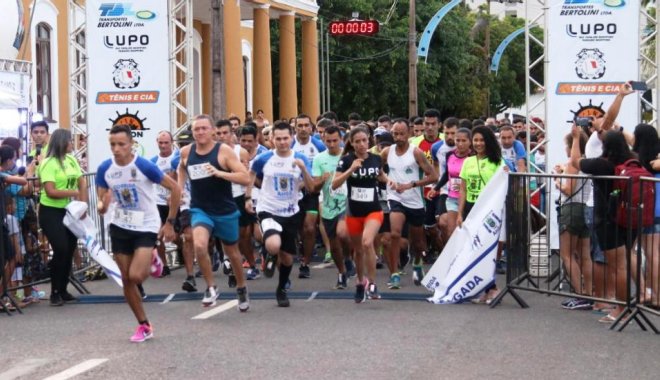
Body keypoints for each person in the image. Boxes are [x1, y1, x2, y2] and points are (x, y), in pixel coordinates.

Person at [96, 124, 181, 342]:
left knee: (135, 275)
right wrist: (103, 205)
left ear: (131, 144)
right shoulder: (105, 168)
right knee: (126, 279)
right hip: (120, 225)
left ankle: (153, 257)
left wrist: (170, 222)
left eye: (121, 144)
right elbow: (102, 202)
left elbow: (175, 188)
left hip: (146, 225)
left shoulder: (143, 166)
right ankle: (143, 325)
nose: (116, 149)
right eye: (112, 144)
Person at [177, 114, 252, 311]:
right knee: (200, 245)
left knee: (233, 254)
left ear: (212, 131)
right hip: (200, 209)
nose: (200, 132)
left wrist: (219, 173)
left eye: (204, 128)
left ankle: (242, 287)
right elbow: (181, 169)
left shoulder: (224, 151)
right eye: (196, 129)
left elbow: (244, 177)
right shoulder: (186, 151)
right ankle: (211, 287)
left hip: (225, 210)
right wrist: (180, 190)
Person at [570, 126, 638, 323]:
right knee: (623, 263)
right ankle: (624, 307)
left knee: (618, 267)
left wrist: (576, 139)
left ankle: (620, 309)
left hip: (608, 219)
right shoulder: (633, 160)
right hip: (632, 217)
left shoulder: (602, 164)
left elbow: (575, 162)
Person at [246, 121, 314, 307]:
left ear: (291, 138)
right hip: (268, 209)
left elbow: (311, 187)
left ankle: (282, 287)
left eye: (285, 138)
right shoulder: (264, 158)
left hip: (291, 212)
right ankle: (269, 253)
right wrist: (247, 197)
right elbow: (251, 174)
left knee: (287, 257)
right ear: (271, 139)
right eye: (278, 139)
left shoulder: (300, 158)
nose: (282, 142)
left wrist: (303, 169)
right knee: (273, 244)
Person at [332, 126, 389, 302]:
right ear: (352, 143)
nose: (362, 144)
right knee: (357, 250)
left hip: (373, 210)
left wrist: (391, 182)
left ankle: (372, 284)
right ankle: (359, 281)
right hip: (354, 212)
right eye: (357, 141)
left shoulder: (376, 159)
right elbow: (334, 184)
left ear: (369, 140)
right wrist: (351, 170)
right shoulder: (346, 160)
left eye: (364, 140)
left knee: (367, 242)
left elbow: (381, 176)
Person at [381, 118, 438, 289]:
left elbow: (433, 176)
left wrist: (411, 184)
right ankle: (394, 274)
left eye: (401, 134)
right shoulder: (386, 152)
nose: (398, 137)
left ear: (409, 134)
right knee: (395, 234)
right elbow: (377, 170)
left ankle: (418, 262)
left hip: (414, 200)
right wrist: (388, 181)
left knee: (418, 242)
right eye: (395, 134)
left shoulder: (416, 152)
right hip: (395, 198)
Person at [457, 126, 505, 304]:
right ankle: (487, 289)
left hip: (489, 211)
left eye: (481, 140)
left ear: (488, 141)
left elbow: (502, 187)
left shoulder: (498, 162)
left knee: (487, 250)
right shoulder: (468, 162)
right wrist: (460, 213)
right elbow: (463, 189)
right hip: (471, 208)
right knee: (474, 250)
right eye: (475, 140)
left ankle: (492, 288)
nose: (478, 143)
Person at [215, 119, 259, 282]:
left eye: (225, 133)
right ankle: (232, 264)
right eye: (218, 133)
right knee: (228, 233)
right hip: (222, 197)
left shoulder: (241, 152)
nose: (222, 136)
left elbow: (247, 178)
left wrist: (248, 197)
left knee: (244, 236)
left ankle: (252, 263)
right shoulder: (212, 152)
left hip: (239, 195)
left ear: (231, 134)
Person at [554, 131, 593, 310]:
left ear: (572, 146)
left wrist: (556, 181)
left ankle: (580, 294)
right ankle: (589, 292)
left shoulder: (573, 163)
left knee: (567, 255)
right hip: (585, 208)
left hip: (571, 209)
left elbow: (568, 190)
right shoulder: (587, 163)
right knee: (584, 255)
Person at [312, 125, 350, 289]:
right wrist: (322, 179)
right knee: (334, 245)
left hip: (348, 203)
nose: (332, 144)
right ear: (323, 140)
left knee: (343, 233)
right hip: (329, 205)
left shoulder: (348, 156)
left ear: (341, 140)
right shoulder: (319, 159)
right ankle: (341, 272)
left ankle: (348, 258)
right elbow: (314, 187)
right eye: (328, 141)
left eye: (335, 140)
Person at [291, 114, 326, 278]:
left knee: (310, 228)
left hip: (312, 192)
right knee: (298, 228)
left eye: (306, 125)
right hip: (291, 194)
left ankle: (305, 263)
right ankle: (300, 246)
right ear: (295, 128)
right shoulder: (289, 144)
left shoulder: (318, 145)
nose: (303, 129)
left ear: (311, 128)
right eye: (300, 126)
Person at [631, 123, 660, 306]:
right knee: (654, 254)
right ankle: (653, 292)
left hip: (650, 209)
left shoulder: (642, 160)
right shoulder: (655, 158)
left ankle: (654, 294)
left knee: (651, 254)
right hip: (656, 209)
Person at [429, 127, 472, 242]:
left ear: (470, 142)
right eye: (458, 140)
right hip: (452, 197)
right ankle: (452, 257)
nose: (460, 144)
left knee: (466, 230)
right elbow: (447, 174)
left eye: (464, 141)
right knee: (451, 231)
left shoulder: (473, 157)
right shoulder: (450, 155)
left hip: (468, 199)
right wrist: (436, 188)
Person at [150, 131, 178, 277]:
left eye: (166, 143)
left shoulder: (177, 157)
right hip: (159, 201)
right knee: (158, 234)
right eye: (160, 143)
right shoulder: (153, 161)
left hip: (177, 201)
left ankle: (184, 254)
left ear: (171, 142)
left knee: (178, 236)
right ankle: (164, 265)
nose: (163, 146)